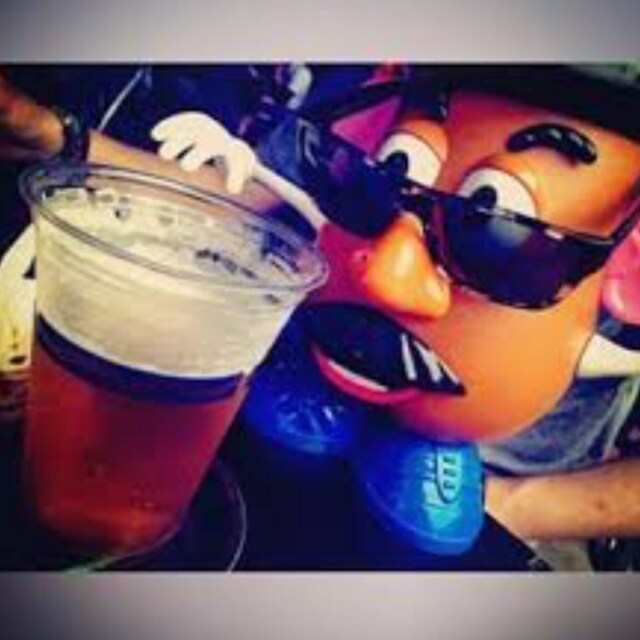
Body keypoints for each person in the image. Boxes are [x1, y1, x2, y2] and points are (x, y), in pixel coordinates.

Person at [149, 64, 640, 564]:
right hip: (296, 373)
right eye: (382, 180)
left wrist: (513, 507)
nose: (385, 276)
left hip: (506, 488)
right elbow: (257, 195)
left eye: (495, 228)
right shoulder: (390, 86)